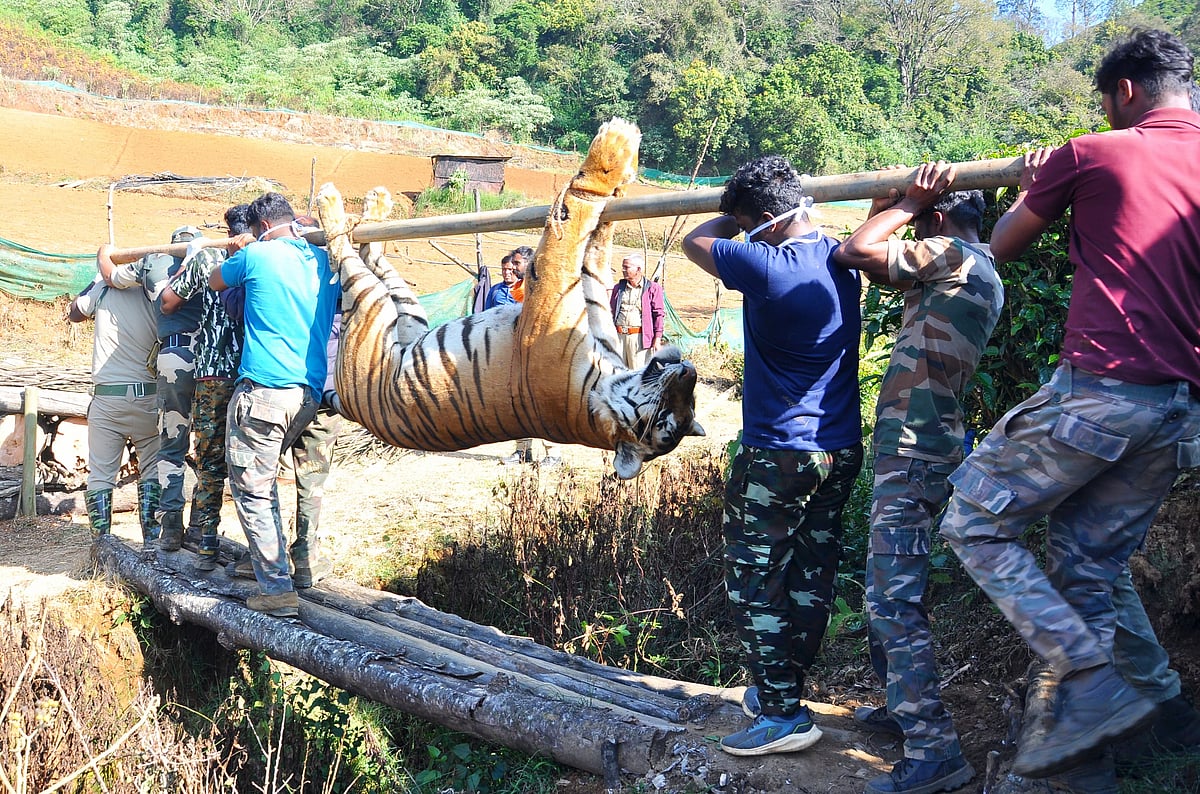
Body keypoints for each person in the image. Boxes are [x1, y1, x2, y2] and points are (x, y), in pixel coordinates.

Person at [937, 29, 1200, 779]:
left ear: (1123, 92)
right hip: (1180, 413)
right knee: (1090, 571)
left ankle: (1085, 682)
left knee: (976, 521)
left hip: (1103, 394)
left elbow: (1000, 247)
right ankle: (1128, 740)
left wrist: (1036, 184)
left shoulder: (1096, 152)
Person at [681, 155, 863, 756]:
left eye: (747, 220)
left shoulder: (764, 265)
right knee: (811, 570)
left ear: (762, 220)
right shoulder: (843, 258)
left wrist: (730, 219)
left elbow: (696, 240)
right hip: (839, 448)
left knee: (756, 576)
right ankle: (781, 688)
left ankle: (783, 714)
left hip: (778, 451)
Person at [832, 163, 1003, 794]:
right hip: (925, 446)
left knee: (891, 599)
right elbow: (877, 263)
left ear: (938, 218)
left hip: (913, 450)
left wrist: (909, 201)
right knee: (892, 586)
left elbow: (855, 250)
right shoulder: (972, 264)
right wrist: (900, 202)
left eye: (925, 214)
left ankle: (934, 749)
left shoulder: (953, 254)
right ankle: (905, 717)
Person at [208, 192, 338, 617]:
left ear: (261, 227)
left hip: (263, 391)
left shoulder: (258, 255)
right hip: (307, 395)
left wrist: (237, 250)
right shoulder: (321, 260)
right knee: (265, 479)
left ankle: (277, 590)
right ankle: (272, 563)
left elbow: (214, 281)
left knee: (253, 487)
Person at [164, 204, 252, 571]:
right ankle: (261, 555)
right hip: (255, 373)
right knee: (256, 463)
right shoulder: (273, 258)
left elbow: (169, 301)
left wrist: (192, 262)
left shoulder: (208, 260)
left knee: (210, 458)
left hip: (214, 372)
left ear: (227, 230)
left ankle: (205, 544)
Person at [105, 225, 203, 551]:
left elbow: (112, 276)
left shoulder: (152, 261)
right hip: (216, 363)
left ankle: (172, 526)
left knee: (172, 445)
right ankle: (204, 528)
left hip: (175, 357)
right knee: (212, 447)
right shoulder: (214, 256)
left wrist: (103, 254)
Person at [70, 245, 162, 545]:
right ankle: (151, 542)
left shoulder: (102, 289)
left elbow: (74, 313)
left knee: (100, 475)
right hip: (149, 395)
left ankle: (102, 543)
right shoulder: (154, 290)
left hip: (108, 398)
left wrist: (99, 272)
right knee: (151, 471)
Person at [499, 245, 562, 468]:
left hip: (539, 351)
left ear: (528, 263)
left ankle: (553, 454)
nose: (512, 267)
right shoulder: (520, 286)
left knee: (541, 404)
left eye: (516, 263)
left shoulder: (543, 286)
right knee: (518, 401)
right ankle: (522, 451)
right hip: (519, 350)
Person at [608, 253, 666, 368]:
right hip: (618, 337)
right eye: (623, 267)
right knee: (618, 372)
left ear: (638, 269)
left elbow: (659, 314)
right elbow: (611, 311)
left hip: (639, 339)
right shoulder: (618, 288)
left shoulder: (652, 288)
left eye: (626, 267)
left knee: (638, 374)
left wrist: (657, 339)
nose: (623, 270)